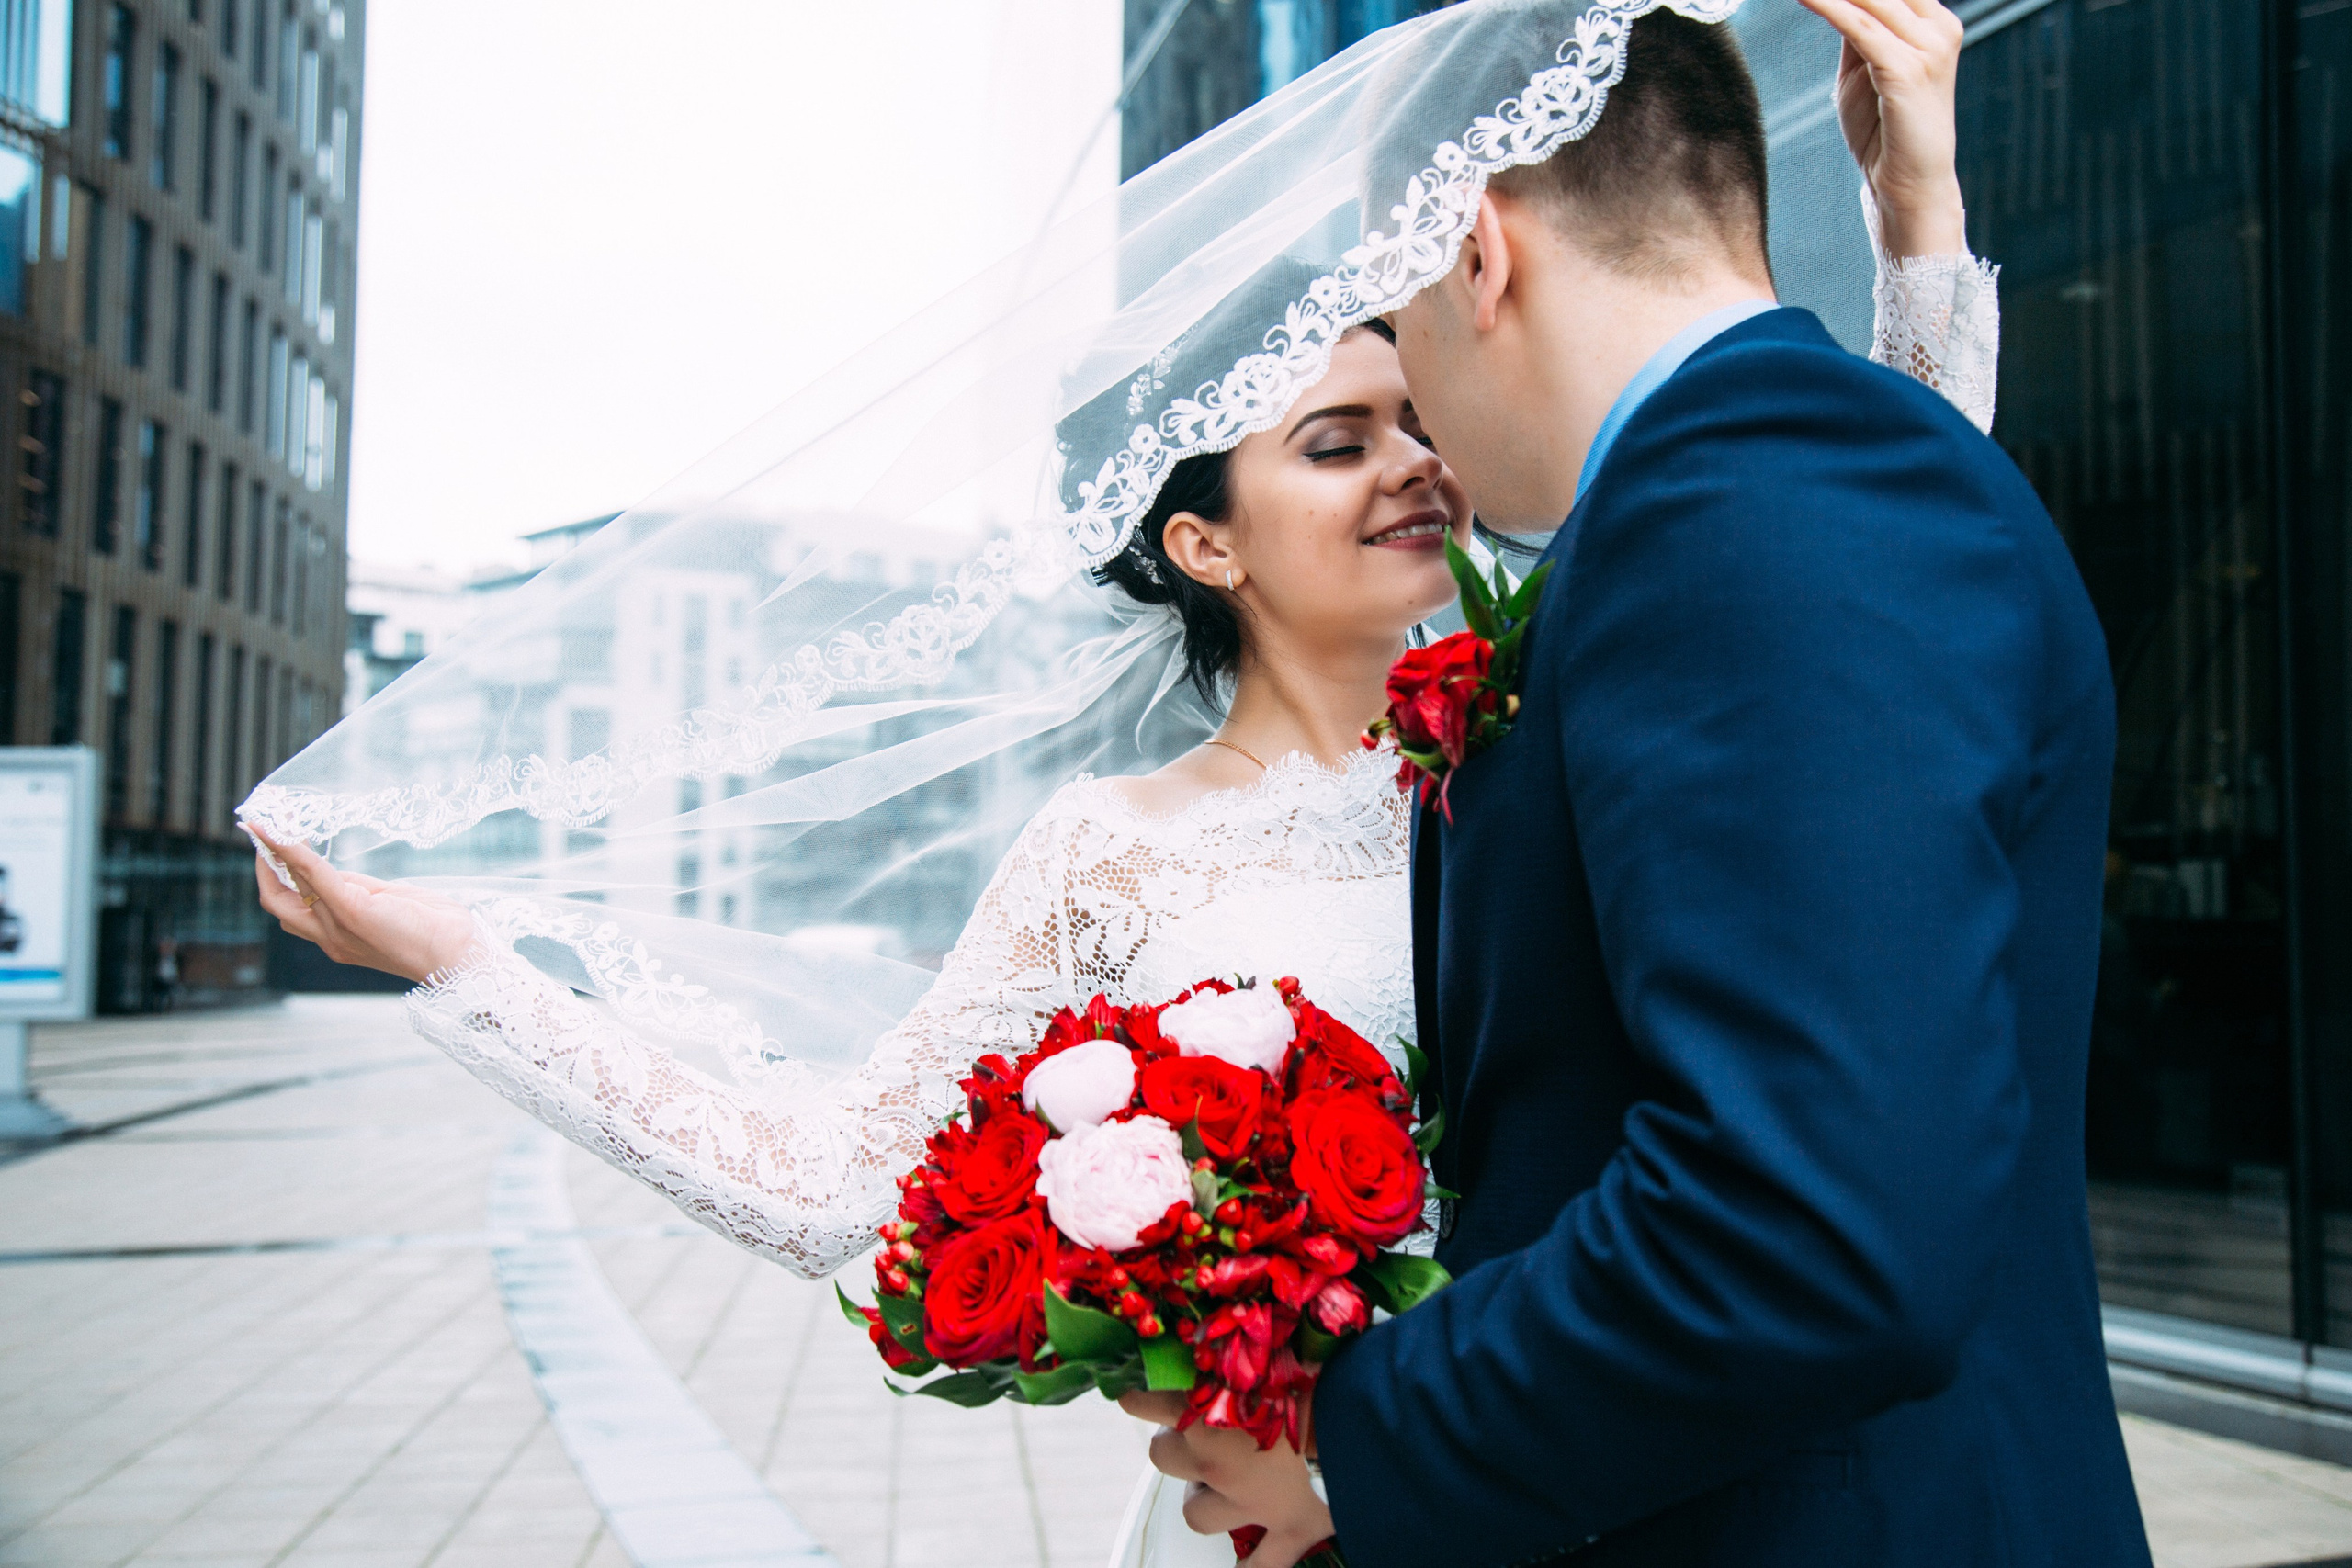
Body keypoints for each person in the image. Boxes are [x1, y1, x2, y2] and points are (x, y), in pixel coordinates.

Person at [245, 2, 2025, 1564]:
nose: (1413, 462)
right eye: (1335, 443)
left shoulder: (1536, 695)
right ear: (1203, 539)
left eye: (1412, 415)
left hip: (1580, 1461)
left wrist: (1916, 242)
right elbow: (838, 1178)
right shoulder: (1111, 849)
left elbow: (1856, 658)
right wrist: (464, 973)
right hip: (1295, 1487)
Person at [1120, 6, 2152, 1568]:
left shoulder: (1756, 506)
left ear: (1476, 250)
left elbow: (1811, 1226)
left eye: (1397, 315)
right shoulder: (1778, 485)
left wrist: (1354, 1440)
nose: (1419, 421)